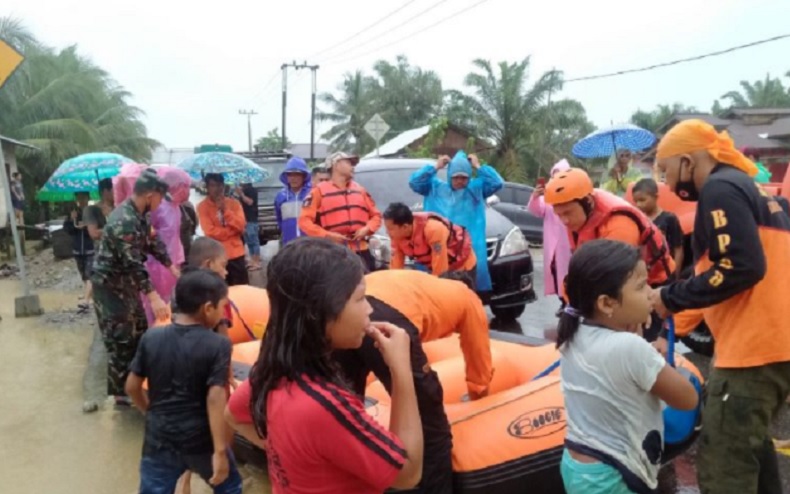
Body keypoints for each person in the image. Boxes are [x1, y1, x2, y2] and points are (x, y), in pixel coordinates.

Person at [650, 119, 790, 494]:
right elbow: (713, 273)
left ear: (688, 162)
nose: (667, 183)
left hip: (751, 353)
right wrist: (674, 327)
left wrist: (667, 297)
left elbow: (742, 267)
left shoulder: (720, 189)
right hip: (776, 347)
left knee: (725, 466)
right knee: (753, 451)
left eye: (666, 171)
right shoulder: (754, 190)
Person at [224, 238, 423, 493]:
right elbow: (408, 473)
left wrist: (291, 452)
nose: (370, 309)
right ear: (323, 310)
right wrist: (401, 371)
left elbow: (233, 414)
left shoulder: (274, 369)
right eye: (360, 298)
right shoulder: (324, 405)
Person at [558, 239, 698, 494]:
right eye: (642, 286)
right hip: (615, 476)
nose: (650, 293)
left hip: (579, 466)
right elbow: (688, 399)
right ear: (607, 303)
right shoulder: (631, 349)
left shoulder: (574, 332)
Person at [333, 268, 492, 494]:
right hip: (387, 320)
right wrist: (479, 393)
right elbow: (478, 354)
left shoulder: (424, 284)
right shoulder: (468, 298)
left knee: (345, 409)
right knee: (431, 427)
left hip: (349, 308)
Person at [125, 269, 242, 494]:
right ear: (208, 308)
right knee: (229, 487)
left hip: (159, 439)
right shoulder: (218, 345)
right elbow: (216, 397)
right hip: (202, 440)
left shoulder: (152, 337)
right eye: (221, 307)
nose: (221, 314)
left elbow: (131, 386)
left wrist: (150, 413)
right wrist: (220, 451)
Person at [91, 169, 179, 406]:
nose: (160, 204)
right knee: (120, 339)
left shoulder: (141, 215)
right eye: (160, 198)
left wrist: (172, 267)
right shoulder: (124, 220)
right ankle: (121, 396)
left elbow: (152, 242)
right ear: (150, 195)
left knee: (139, 332)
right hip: (110, 288)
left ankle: (137, 385)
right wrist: (154, 297)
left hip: (127, 286)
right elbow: (132, 262)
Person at [544, 167, 675, 294]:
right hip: (622, 284)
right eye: (559, 215)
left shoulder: (619, 224)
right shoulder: (577, 218)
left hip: (655, 284)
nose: (564, 221)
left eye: (568, 213)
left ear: (588, 201)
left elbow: (615, 279)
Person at [409, 150, 503, 294]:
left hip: (468, 251)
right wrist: (435, 167)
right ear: (449, 175)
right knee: (437, 291)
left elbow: (497, 182)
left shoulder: (476, 190)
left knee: (468, 292)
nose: (460, 181)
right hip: (439, 248)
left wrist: (478, 166)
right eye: (456, 177)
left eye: (464, 177)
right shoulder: (434, 188)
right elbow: (414, 182)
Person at [299, 152, 382, 272]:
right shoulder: (318, 192)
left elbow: (376, 216)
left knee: (369, 285)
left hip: (361, 249)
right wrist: (326, 235)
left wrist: (367, 229)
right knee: (337, 288)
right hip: (333, 250)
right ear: (336, 165)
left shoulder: (360, 190)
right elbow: (304, 221)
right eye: (348, 163)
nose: (352, 167)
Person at [383, 202, 476, 280]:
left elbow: (440, 268)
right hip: (436, 267)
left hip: (461, 266)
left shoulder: (433, 229)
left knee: (460, 299)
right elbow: (395, 268)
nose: (387, 232)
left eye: (390, 229)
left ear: (405, 227)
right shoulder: (397, 237)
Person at [527, 159, 572, 314]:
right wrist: (535, 197)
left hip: (569, 244)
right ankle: (563, 302)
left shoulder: (575, 196)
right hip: (553, 243)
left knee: (569, 273)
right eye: (555, 176)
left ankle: (570, 303)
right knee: (555, 272)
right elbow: (536, 210)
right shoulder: (548, 198)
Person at [197, 173, 249, 286]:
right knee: (220, 294)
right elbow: (209, 232)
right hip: (217, 257)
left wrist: (225, 211)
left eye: (220, 185)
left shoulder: (234, 204)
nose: (217, 189)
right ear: (207, 187)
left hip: (236, 254)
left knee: (241, 290)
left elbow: (241, 225)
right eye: (213, 185)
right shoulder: (202, 207)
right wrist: (232, 232)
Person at [632, 178, 684, 278]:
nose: (638, 204)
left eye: (642, 200)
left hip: (666, 272)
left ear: (655, 197)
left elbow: (678, 248)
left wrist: (676, 274)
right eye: (636, 201)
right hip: (649, 274)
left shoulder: (669, 219)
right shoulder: (639, 221)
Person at [63, 192, 95, 311]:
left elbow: (98, 227)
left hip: (90, 248)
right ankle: (90, 294)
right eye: (79, 197)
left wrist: (87, 227)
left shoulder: (93, 212)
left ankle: (86, 301)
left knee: (89, 274)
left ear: (88, 198)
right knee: (83, 274)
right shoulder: (74, 212)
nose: (81, 200)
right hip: (77, 250)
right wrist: (72, 220)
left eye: (84, 197)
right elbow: (67, 229)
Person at [274, 156, 312, 246]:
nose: (293, 178)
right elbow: (279, 219)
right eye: (290, 174)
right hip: (289, 244)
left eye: (297, 174)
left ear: (304, 176)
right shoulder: (280, 197)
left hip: (310, 244)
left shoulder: (312, 194)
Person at [236, 182, 261, 270]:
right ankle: (252, 261)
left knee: (254, 241)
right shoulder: (245, 190)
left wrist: (241, 194)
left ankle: (257, 262)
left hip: (251, 219)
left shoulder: (251, 190)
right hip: (245, 219)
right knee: (249, 242)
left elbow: (250, 202)